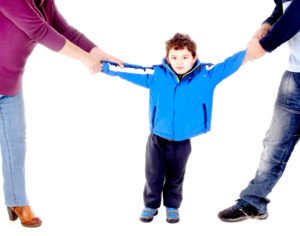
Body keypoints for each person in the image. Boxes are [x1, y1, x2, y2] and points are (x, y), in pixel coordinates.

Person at [101, 33, 250, 223]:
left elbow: (230, 64)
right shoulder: (157, 75)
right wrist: (105, 67)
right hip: (157, 137)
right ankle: (150, 205)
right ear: (167, 58)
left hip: (182, 139)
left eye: (185, 57)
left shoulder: (207, 75)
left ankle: (172, 206)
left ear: (194, 57)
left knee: (176, 175)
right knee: (153, 173)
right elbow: (131, 71)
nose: (179, 62)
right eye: (174, 57)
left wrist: (251, 51)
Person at [0, 0, 122, 228]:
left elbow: (63, 30)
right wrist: (85, 59)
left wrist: (97, 52)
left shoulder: (45, 2)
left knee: (15, 145)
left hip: (8, 86)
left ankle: (16, 201)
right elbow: (39, 30)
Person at [218, 0, 300, 222]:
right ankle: (253, 202)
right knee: (275, 143)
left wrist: (266, 45)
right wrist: (268, 23)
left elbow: (296, 12)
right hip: (295, 75)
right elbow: (283, 9)